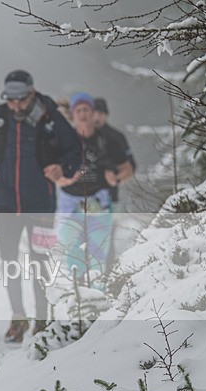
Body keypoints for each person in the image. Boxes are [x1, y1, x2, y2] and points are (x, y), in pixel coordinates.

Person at [0, 70, 81, 343]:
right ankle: (18, 318)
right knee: (9, 262)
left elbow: (75, 148)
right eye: (10, 101)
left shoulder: (49, 115)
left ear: (31, 93)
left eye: (20, 101)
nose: (15, 106)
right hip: (5, 202)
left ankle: (42, 319)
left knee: (41, 263)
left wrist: (62, 166)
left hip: (41, 204)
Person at [57, 93, 133, 283]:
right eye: (78, 111)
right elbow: (49, 167)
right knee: (71, 250)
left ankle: (98, 296)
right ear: (73, 115)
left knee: (98, 252)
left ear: (93, 113)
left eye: (86, 110)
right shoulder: (63, 139)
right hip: (70, 201)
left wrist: (114, 178)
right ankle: (78, 293)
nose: (83, 114)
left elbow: (128, 167)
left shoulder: (108, 139)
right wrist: (60, 179)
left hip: (99, 200)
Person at [92, 97, 136, 209]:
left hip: (109, 196)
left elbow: (131, 167)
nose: (97, 117)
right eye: (94, 113)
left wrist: (116, 179)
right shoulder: (80, 135)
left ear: (106, 115)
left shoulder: (116, 137)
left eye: (100, 113)